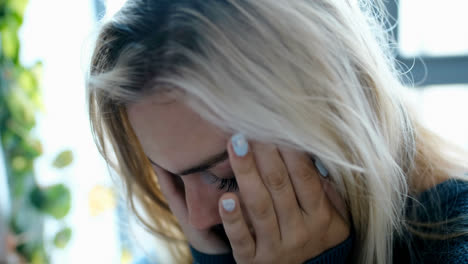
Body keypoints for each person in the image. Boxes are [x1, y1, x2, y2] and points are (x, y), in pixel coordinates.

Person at [86, 0, 468, 263]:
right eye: (171, 177)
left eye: (227, 176)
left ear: (330, 123)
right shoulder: (207, 232)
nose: (196, 220)